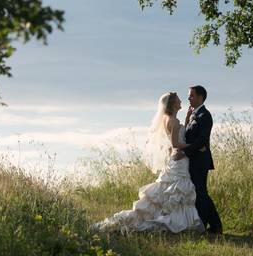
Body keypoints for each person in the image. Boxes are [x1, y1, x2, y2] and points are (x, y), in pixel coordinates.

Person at [92, 91, 205, 233]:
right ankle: (176, 222)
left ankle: (169, 218)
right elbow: (176, 143)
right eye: (178, 99)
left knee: (168, 192)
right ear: (173, 104)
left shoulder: (167, 119)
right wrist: (196, 146)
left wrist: (187, 119)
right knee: (177, 192)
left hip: (174, 160)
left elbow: (174, 138)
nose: (181, 101)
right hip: (179, 160)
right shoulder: (174, 121)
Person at [179, 85, 223, 234]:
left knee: (200, 193)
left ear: (200, 97)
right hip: (194, 159)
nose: (188, 98)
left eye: (191, 95)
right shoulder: (193, 115)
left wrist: (185, 152)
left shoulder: (205, 115)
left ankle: (205, 225)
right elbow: (189, 136)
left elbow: (202, 140)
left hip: (200, 161)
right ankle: (215, 225)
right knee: (200, 192)